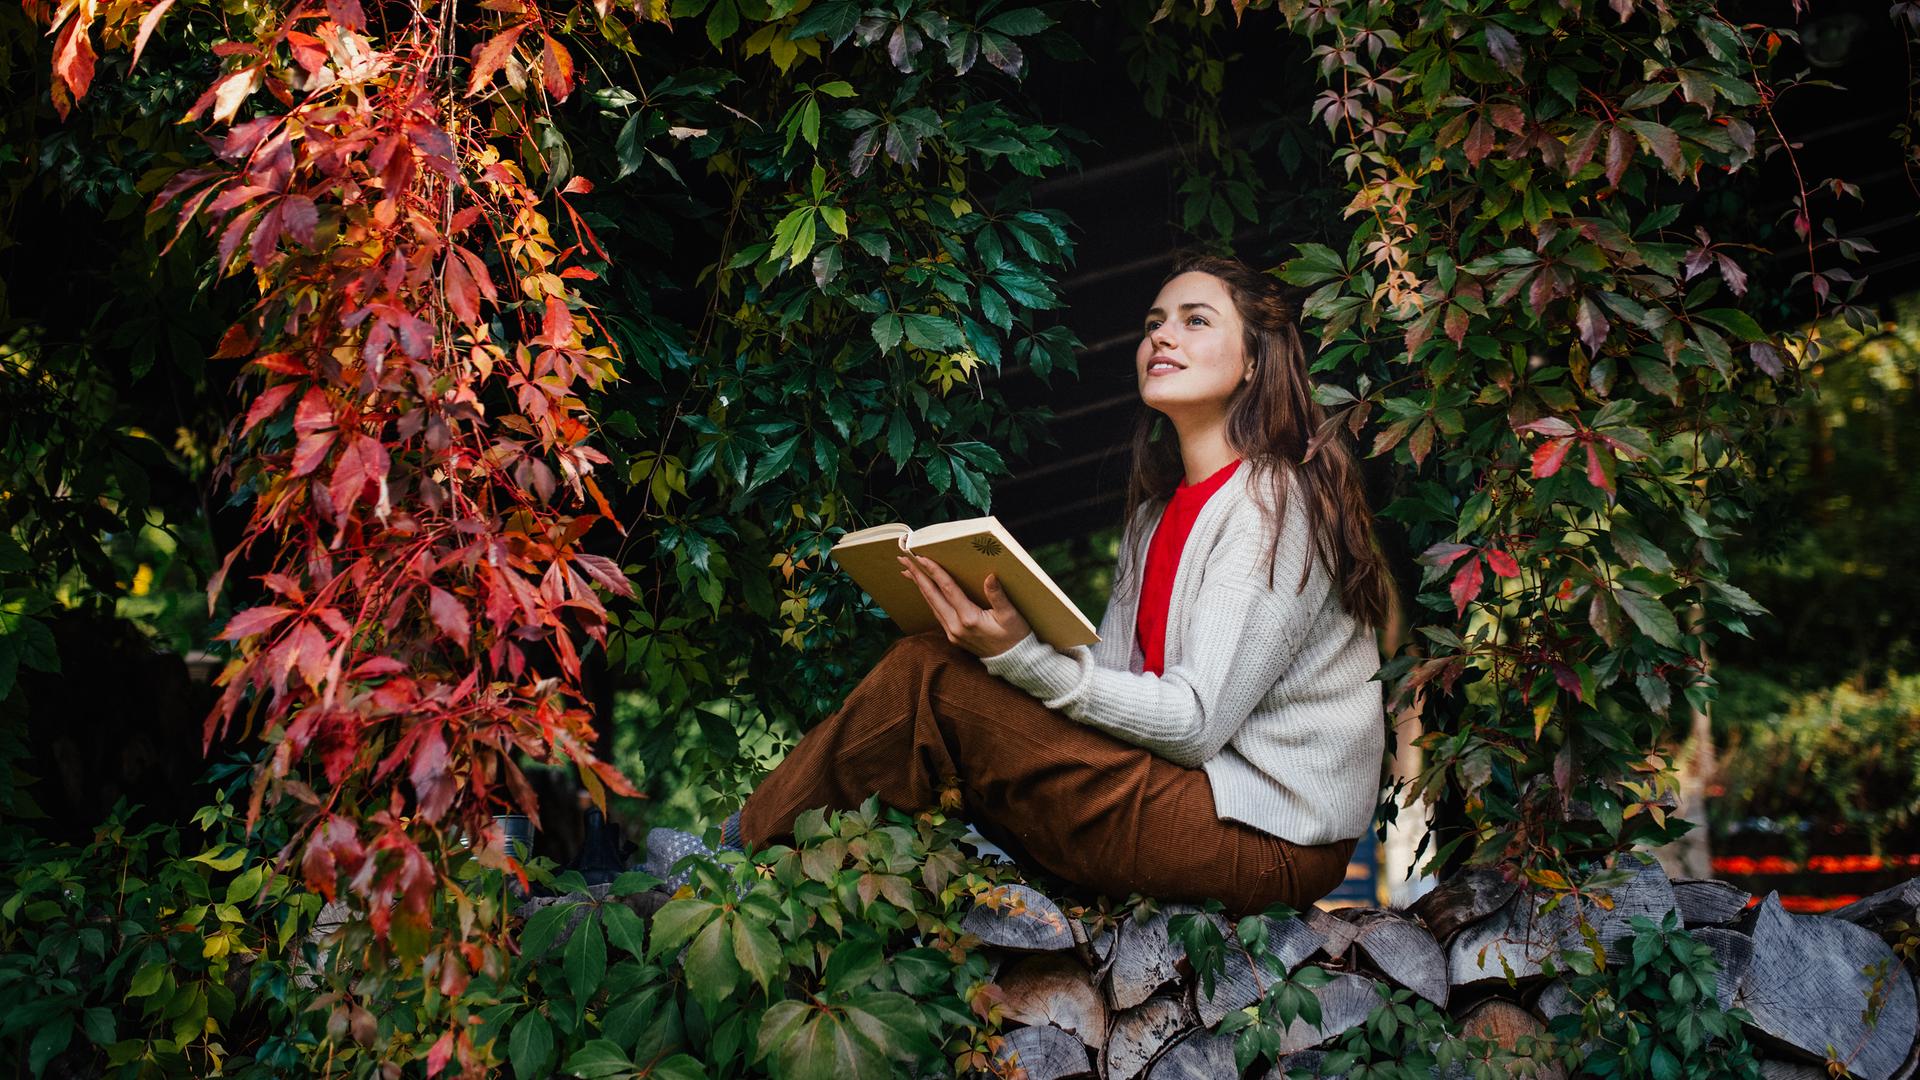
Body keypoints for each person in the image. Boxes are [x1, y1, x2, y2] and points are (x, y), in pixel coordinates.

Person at [646, 251, 1393, 916]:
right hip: (1189, 800)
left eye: (1196, 321)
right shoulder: (1155, 516)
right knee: (940, 663)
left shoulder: (1273, 503)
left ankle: (734, 862)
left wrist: (1020, 661)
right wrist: (1005, 646)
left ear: (1256, 361)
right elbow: (1115, 682)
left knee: (928, 677)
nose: (1162, 336)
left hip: (1267, 838)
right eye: (1154, 323)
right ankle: (779, 878)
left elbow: (1194, 724)